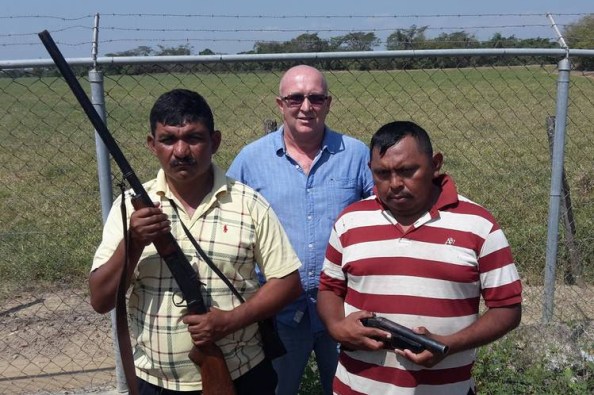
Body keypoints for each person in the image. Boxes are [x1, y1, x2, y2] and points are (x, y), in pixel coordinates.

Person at [89, 88, 302, 395]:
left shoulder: (249, 203)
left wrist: (228, 322)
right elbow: (100, 300)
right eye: (168, 139)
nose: (181, 151)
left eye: (193, 138)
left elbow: (287, 282)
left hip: (242, 373)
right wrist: (134, 242)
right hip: (157, 381)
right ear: (152, 145)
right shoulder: (127, 210)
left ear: (214, 141)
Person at [317, 120, 522, 394]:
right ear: (370, 171)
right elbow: (330, 287)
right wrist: (336, 326)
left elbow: (507, 308)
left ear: (435, 163)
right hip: (356, 387)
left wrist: (449, 345)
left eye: (407, 171)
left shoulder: (478, 225)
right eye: (382, 173)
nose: (395, 184)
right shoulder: (350, 221)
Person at [227, 65, 374, 394]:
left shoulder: (355, 154)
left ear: (328, 103)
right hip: (278, 310)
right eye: (295, 98)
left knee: (348, 388)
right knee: (278, 389)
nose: (306, 107)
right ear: (280, 105)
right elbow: (229, 220)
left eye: (315, 98)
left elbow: (381, 216)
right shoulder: (251, 159)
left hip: (343, 305)